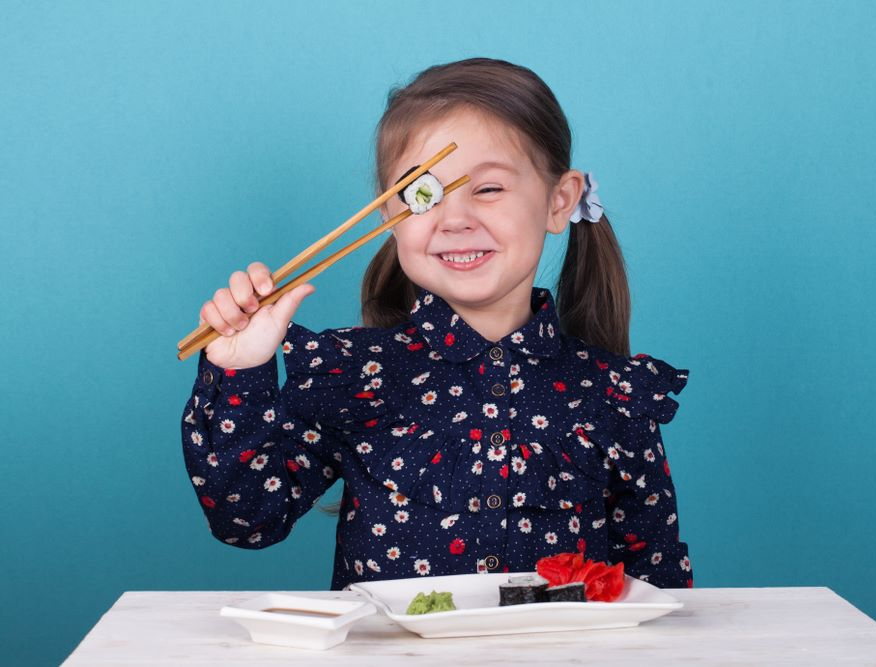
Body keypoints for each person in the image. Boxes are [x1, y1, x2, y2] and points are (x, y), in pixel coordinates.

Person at [181, 57, 693, 591]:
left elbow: (656, 585)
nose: (454, 218)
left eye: (489, 189)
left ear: (559, 200)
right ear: (387, 213)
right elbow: (247, 520)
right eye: (422, 194)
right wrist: (241, 373)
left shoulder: (614, 394)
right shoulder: (358, 374)